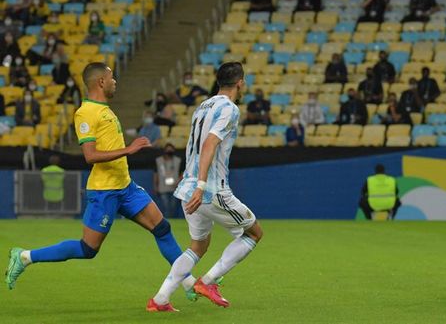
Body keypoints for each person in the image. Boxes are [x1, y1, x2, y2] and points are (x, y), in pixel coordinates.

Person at [6, 62, 200, 302]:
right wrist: (128, 149)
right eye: (111, 77)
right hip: (104, 191)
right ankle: (24, 257)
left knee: (162, 228)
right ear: (100, 82)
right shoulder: (85, 113)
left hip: (125, 187)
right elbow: (90, 156)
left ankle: (189, 282)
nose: (115, 81)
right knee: (88, 249)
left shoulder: (106, 109)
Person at [147, 62, 262, 311]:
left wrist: (193, 184)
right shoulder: (230, 109)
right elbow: (209, 143)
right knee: (254, 233)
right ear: (240, 82)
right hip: (210, 189)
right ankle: (208, 282)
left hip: (187, 188)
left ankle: (160, 299)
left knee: (198, 246)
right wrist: (201, 186)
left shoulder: (203, 106)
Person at [153, 143, 182, 218]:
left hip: (175, 187)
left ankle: (174, 222)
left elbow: (183, 173)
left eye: (171, 150)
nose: (169, 151)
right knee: (166, 207)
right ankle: (168, 222)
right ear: (164, 151)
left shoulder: (178, 160)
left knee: (173, 207)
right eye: (168, 150)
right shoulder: (158, 161)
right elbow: (156, 174)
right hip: (163, 187)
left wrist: (178, 182)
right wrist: (155, 186)